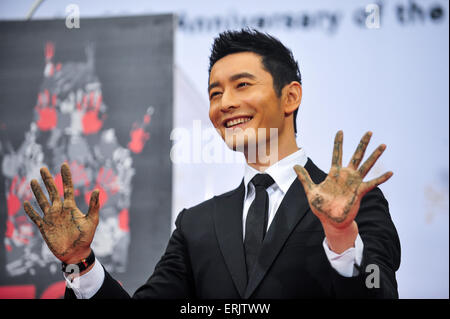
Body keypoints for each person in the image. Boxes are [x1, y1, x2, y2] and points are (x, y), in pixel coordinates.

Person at [23, 29, 400, 299]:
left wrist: (340, 237)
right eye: (215, 93)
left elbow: (377, 291)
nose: (225, 103)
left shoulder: (355, 204)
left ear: (290, 97)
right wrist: (80, 264)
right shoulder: (197, 224)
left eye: (242, 85)